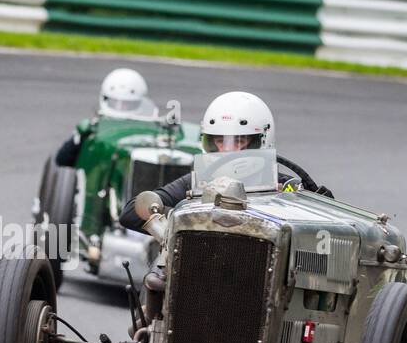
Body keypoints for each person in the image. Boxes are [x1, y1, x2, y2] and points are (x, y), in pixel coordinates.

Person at [118, 90, 330, 232]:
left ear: (261, 140)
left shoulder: (285, 186)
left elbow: (326, 225)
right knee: (156, 277)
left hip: (263, 270)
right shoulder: (196, 183)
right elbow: (130, 213)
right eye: (220, 141)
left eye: (239, 141)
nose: (227, 150)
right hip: (198, 265)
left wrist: (316, 203)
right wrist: (181, 217)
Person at [55, 67, 156, 167]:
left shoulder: (148, 128)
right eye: (115, 103)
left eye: (127, 104)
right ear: (106, 99)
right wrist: (79, 137)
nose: (121, 108)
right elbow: (61, 160)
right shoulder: (94, 128)